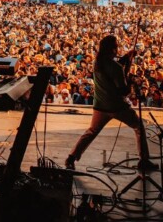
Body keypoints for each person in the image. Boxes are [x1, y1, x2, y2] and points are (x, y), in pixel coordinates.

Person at [65, 35, 156, 172]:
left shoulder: (98, 63)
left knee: (91, 132)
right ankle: (144, 161)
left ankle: (71, 158)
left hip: (100, 106)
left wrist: (126, 57)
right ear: (113, 49)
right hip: (117, 106)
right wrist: (130, 80)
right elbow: (123, 91)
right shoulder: (116, 68)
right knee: (139, 127)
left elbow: (114, 66)